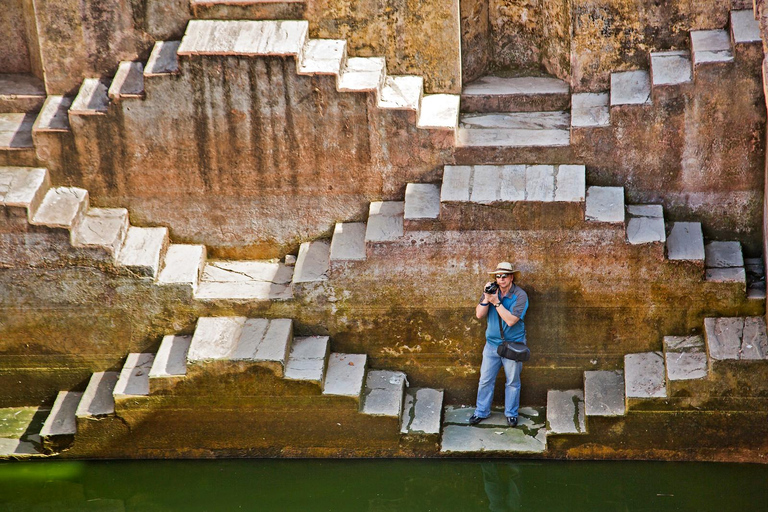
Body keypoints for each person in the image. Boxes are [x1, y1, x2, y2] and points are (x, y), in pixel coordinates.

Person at [469, 262, 529, 427]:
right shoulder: (492, 291)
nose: (501, 279)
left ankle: (511, 413)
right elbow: (479, 315)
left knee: (512, 381)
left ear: (511, 277)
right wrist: (486, 297)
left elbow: (510, 321)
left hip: (513, 346)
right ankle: (481, 412)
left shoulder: (521, 296)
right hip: (492, 346)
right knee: (485, 380)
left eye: (504, 276)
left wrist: (496, 302)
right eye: (498, 276)